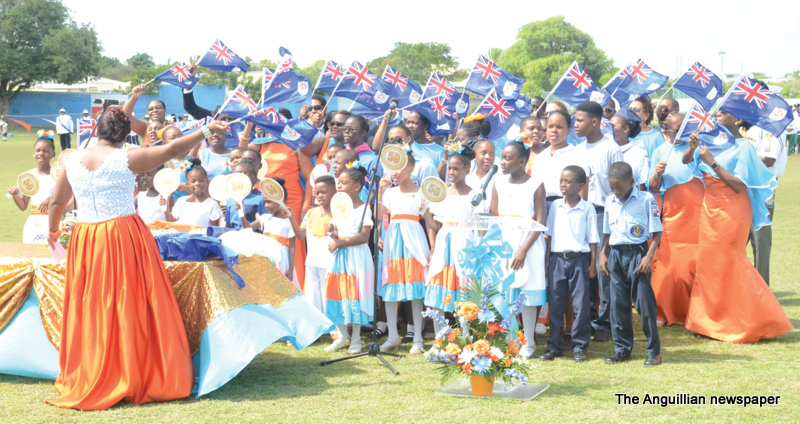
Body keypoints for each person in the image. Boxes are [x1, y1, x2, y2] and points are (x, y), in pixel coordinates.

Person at [46, 108, 227, 410]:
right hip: (121, 235)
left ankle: (94, 369)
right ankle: (130, 370)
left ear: (98, 129)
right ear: (123, 133)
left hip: (86, 238)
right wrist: (207, 131)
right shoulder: (126, 158)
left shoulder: (72, 160)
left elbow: (57, 201)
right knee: (128, 302)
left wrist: (53, 230)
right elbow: (172, 148)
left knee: (92, 303)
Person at [681, 111, 792, 343]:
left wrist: (712, 161)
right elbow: (685, 162)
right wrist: (692, 148)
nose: (717, 116)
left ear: (738, 119)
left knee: (731, 260)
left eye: (723, 114)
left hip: (732, 209)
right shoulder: (709, 141)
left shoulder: (744, 147)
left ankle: (755, 319)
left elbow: (738, 185)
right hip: (709, 208)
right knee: (709, 264)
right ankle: (707, 321)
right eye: (717, 113)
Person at [598, 161, 662, 366]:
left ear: (632, 182)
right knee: (617, 305)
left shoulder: (646, 200)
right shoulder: (610, 201)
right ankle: (622, 349)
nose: (616, 191)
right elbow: (607, 231)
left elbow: (657, 231)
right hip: (616, 255)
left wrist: (649, 256)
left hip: (638, 254)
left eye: (620, 187)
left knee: (644, 304)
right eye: (612, 187)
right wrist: (603, 253)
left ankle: (653, 351)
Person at [491, 140, 546, 358]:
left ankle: (529, 340)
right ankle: (511, 339)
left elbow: (540, 221)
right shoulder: (497, 182)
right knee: (507, 292)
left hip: (528, 243)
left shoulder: (536, 184)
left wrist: (523, 249)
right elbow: (494, 215)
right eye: (502, 157)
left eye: (508, 158)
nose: (503, 162)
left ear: (522, 161)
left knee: (528, 291)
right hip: (504, 242)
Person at [647, 112, 704, 326]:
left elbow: (688, 161)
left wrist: (692, 147)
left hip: (697, 211)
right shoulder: (659, 152)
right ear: (665, 131)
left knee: (696, 261)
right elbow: (653, 187)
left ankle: (695, 310)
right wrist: (657, 174)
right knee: (670, 262)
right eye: (677, 129)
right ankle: (663, 309)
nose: (683, 132)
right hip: (673, 212)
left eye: (685, 127)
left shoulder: (697, 147)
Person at [540, 166, 598, 362]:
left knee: (580, 305)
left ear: (580, 186)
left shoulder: (587, 208)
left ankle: (580, 346)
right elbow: (549, 236)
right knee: (555, 303)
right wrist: (547, 260)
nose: (563, 185)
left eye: (568, 181)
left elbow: (592, 239)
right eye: (561, 181)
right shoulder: (555, 205)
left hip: (580, 260)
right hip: (557, 259)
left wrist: (592, 265)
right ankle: (555, 345)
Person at [377, 152, 431, 355]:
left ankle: (417, 336)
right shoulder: (390, 193)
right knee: (391, 288)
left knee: (415, 290)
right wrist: (381, 191)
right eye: (391, 168)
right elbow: (378, 217)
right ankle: (392, 334)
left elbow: (429, 220)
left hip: (414, 241)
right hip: (393, 242)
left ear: (410, 168)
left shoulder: (421, 192)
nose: (394, 173)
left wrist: (432, 247)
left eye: (398, 167)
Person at [424, 144, 476, 332]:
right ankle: (440, 336)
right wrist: (426, 214)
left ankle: (464, 332)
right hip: (444, 243)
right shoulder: (443, 192)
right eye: (450, 168)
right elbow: (436, 226)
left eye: (456, 168)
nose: (451, 172)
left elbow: (478, 226)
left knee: (462, 286)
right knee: (439, 284)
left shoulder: (474, 195)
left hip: (464, 243)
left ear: (467, 170)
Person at [324, 163, 375, 354]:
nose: (339, 186)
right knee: (338, 293)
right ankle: (342, 335)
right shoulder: (339, 209)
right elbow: (339, 235)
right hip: (340, 257)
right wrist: (333, 233)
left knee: (355, 294)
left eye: (344, 183)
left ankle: (356, 338)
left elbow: (363, 237)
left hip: (356, 257)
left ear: (357, 186)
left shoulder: (364, 209)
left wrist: (339, 242)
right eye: (339, 182)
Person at [531, 110, 589, 212]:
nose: (554, 130)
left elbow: (582, 192)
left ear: (568, 130)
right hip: (541, 209)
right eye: (550, 127)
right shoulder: (540, 158)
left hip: (567, 208)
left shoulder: (578, 155)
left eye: (559, 127)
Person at [297, 175, 336, 313]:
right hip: (312, 260)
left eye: (323, 192)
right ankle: (317, 324)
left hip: (331, 260)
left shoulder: (338, 214)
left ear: (334, 191)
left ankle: (334, 325)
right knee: (313, 292)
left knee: (329, 292)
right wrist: (290, 218)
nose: (320, 196)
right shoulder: (311, 213)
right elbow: (301, 235)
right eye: (317, 193)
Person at [8, 134, 57, 244]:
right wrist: (15, 195)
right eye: (38, 150)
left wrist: (51, 197)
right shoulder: (28, 176)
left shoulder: (58, 175)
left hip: (53, 222)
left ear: (53, 154)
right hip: (33, 223)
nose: (41, 154)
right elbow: (23, 206)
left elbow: (66, 197)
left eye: (46, 151)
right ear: (33, 153)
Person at [251, 178, 296, 280]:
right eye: (265, 202)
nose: (266, 206)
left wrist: (291, 270)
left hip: (281, 260)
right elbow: (247, 229)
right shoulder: (265, 218)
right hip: (266, 257)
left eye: (269, 202)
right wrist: (241, 212)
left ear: (282, 200)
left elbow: (292, 247)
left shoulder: (289, 222)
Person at [165, 158, 223, 233]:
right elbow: (171, 222)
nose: (197, 184)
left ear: (206, 181)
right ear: (187, 183)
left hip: (201, 241)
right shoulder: (181, 201)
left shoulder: (212, 204)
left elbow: (215, 230)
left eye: (201, 180)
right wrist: (165, 206)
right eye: (193, 181)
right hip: (182, 240)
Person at [611, 109, 650, 190]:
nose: (609, 129)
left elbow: (642, 185)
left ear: (625, 129)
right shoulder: (605, 149)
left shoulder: (639, 154)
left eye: (613, 126)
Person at [465, 138, 497, 214]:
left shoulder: (498, 181)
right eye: (483, 153)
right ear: (474, 155)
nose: (488, 157)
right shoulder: (467, 179)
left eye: (492, 154)